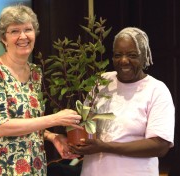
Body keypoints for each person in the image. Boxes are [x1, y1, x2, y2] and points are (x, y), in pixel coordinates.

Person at [0, 4, 82, 176]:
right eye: (15, 31)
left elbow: (29, 121)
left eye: (28, 29)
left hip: (34, 166)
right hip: (0, 167)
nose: (23, 36)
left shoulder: (35, 72)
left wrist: (52, 137)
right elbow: (2, 127)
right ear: (3, 38)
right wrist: (55, 119)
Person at [69, 27, 175, 176]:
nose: (124, 61)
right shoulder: (103, 81)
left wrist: (105, 147)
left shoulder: (157, 90)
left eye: (132, 55)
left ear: (144, 56)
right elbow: (85, 123)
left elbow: (159, 146)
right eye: (118, 55)